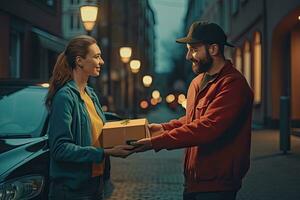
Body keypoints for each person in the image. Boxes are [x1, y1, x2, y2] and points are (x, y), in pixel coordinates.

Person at [134, 21, 254, 200]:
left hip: (217, 185)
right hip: (193, 180)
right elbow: (192, 120)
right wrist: (159, 128)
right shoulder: (197, 82)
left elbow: (208, 126)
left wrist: (156, 143)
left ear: (213, 49)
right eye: (188, 50)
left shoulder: (233, 84)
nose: (188, 56)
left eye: (194, 49)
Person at [46, 35, 134, 200]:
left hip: (96, 185)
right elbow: (59, 149)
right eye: (96, 56)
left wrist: (130, 133)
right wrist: (105, 152)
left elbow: (101, 133)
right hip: (72, 191)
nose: (101, 62)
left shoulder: (91, 94)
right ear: (79, 61)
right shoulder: (65, 97)